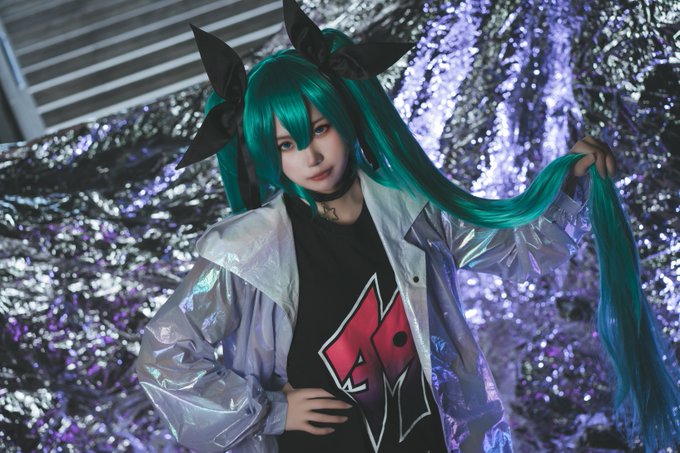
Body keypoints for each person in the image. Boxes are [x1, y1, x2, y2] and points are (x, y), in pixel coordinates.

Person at [135, 1, 680, 452]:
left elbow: (519, 251)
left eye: (319, 129)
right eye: (286, 144)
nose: (310, 156)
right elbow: (165, 357)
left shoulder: (413, 209)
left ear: (345, 119)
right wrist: (272, 411)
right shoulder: (249, 249)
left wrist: (571, 185)